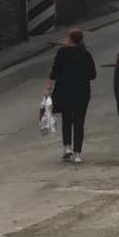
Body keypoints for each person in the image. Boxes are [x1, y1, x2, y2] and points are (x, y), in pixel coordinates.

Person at [45, 29, 96, 164]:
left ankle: (67, 147)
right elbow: (93, 75)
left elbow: (54, 72)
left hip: (64, 90)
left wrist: (48, 88)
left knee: (67, 118)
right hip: (82, 91)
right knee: (79, 121)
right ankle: (78, 154)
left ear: (70, 39)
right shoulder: (86, 54)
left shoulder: (62, 52)